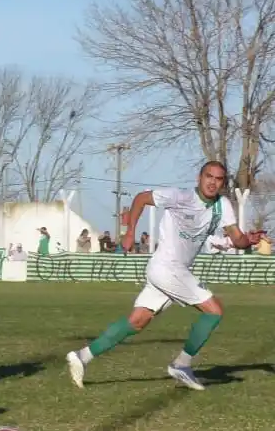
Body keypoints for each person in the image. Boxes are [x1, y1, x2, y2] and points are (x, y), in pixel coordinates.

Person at [66, 161, 262, 391]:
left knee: (138, 321)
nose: (212, 182)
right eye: (208, 176)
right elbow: (141, 198)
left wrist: (248, 240)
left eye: (218, 179)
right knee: (214, 311)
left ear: (222, 183)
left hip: (173, 272)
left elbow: (236, 237)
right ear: (199, 178)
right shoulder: (180, 197)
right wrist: (129, 232)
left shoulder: (222, 206)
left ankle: (83, 356)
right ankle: (182, 364)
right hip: (167, 267)